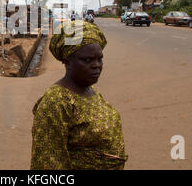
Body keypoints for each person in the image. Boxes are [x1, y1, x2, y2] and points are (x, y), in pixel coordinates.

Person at [31, 21, 128, 169]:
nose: (97, 65)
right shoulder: (56, 102)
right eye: (87, 60)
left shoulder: (91, 91)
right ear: (67, 62)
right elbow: (47, 163)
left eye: (99, 58)